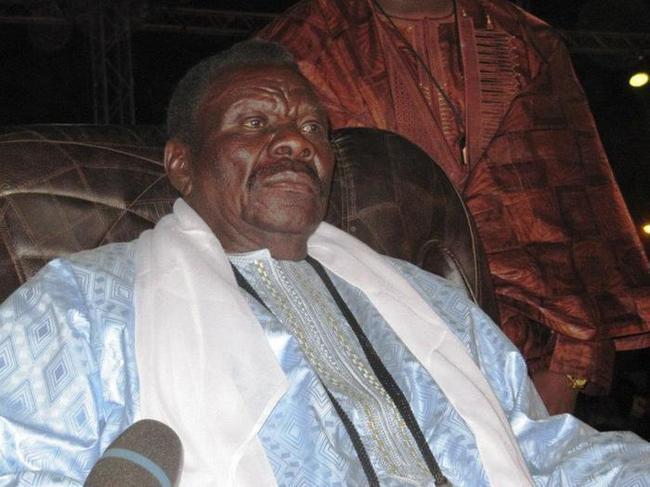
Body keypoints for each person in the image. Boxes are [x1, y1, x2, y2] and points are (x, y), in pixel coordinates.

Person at [0, 40, 649, 486]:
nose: (294, 139)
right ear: (182, 164)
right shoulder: (81, 308)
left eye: (313, 128)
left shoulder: (431, 303)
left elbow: (543, 447)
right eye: (254, 122)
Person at [257, 0, 650, 414]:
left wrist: (564, 378)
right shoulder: (301, 44)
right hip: (351, 363)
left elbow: (571, 228)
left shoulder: (527, 45)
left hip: (514, 370)